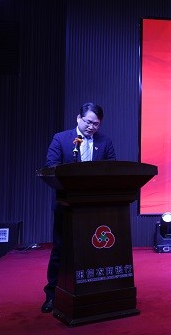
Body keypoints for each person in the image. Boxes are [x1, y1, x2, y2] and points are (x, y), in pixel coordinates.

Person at [41, 102, 116, 313]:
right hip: (66, 205)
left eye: (96, 124)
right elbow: (51, 167)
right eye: (88, 122)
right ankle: (52, 294)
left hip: (94, 208)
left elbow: (112, 169)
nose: (92, 127)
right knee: (60, 249)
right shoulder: (61, 139)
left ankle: (94, 292)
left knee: (94, 249)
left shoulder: (105, 142)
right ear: (78, 118)